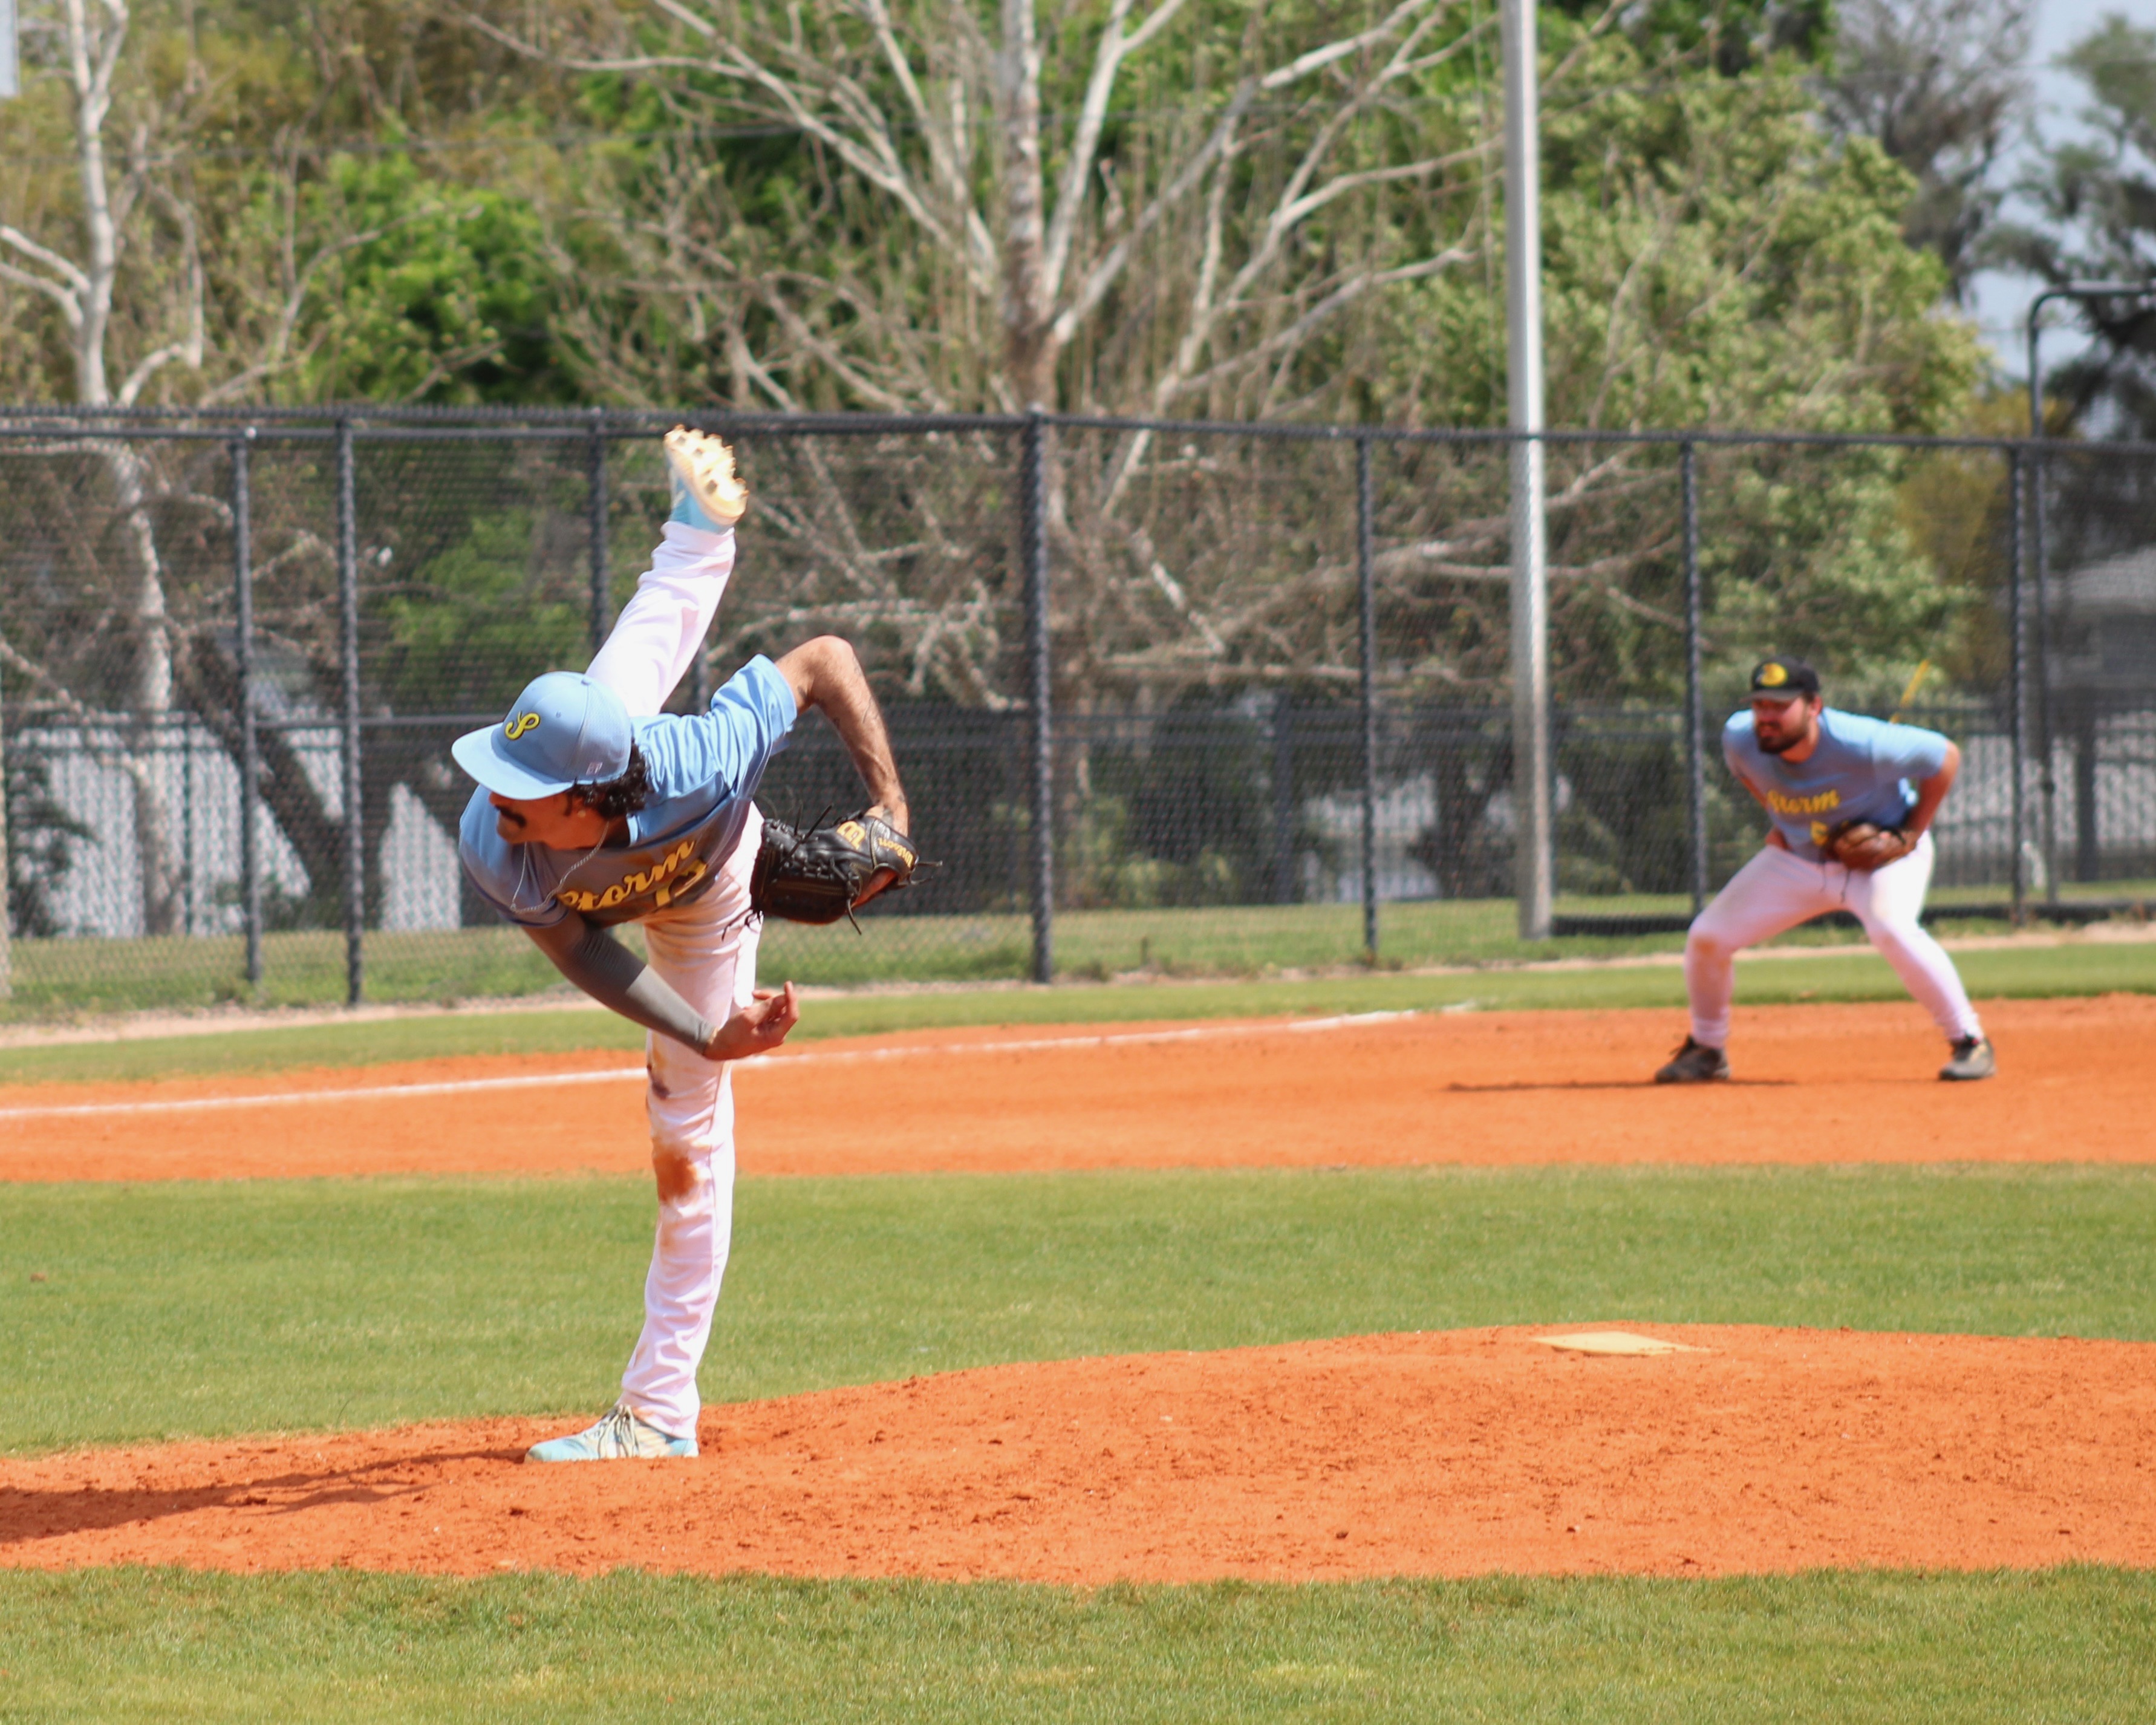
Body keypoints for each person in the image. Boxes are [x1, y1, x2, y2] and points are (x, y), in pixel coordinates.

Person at [451, 429, 910, 1461]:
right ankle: (698, 532)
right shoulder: (501, 835)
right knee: (614, 681)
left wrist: (893, 805)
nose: (495, 803)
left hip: (708, 879)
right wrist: (705, 1025)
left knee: (686, 1132)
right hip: (618, 802)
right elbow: (581, 950)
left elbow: (824, 659)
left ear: (585, 804)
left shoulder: (704, 758)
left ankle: (659, 1412)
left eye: (524, 797)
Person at [1656, 655, 1995, 1085]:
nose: (1766, 717)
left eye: (1780, 706)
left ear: (1813, 706)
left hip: (1881, 860)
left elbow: (1944, 757)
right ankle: (1706, 1051)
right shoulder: (1739, 738)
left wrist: (1910, 833)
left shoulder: (1861, 743)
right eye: (1760, 706)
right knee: (1707, 937)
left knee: (1891, 928)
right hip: (1799, 860)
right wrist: (1781, 823)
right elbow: (1748, 777)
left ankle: (1970, 1041)